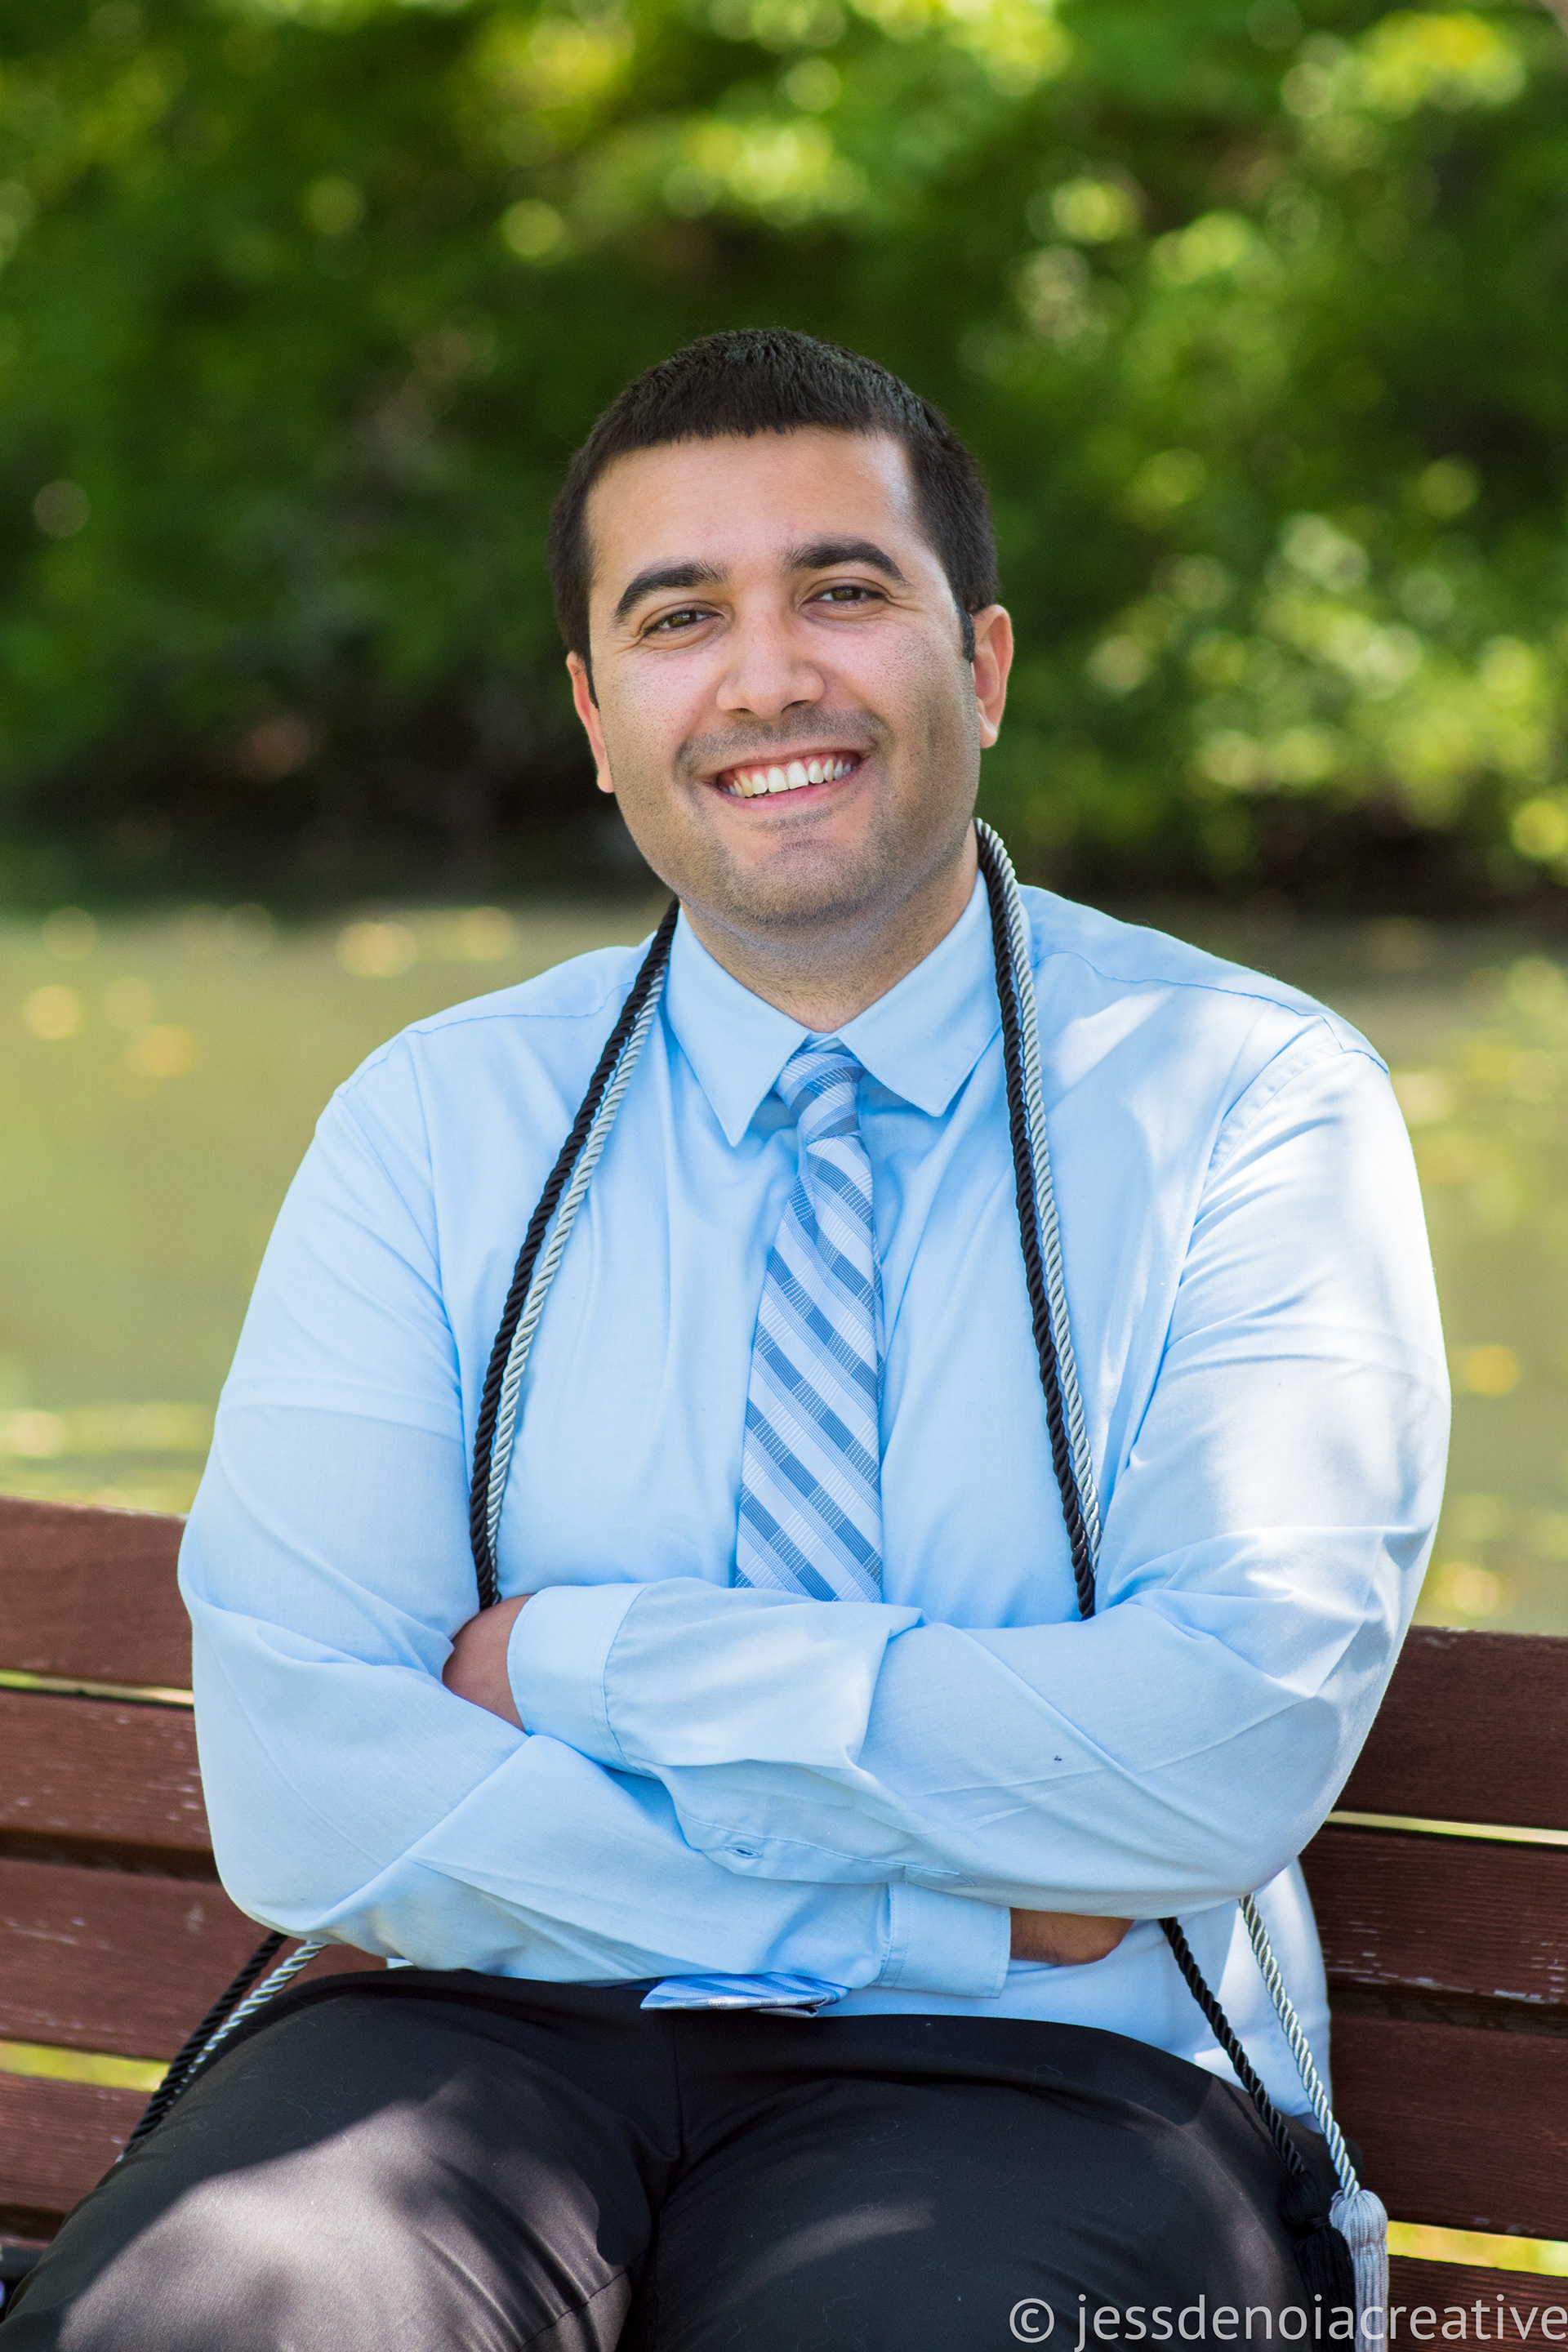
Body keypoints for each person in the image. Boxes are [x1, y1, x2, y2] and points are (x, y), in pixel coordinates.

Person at [5, 330, 1448, 2351]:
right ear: (598, 720)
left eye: (841, 590)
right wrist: (941, 1902)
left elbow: (1211, 1757)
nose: (767, 679)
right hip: (484, 2036)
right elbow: (308, 1783)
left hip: (1061, 2084)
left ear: (985, 666)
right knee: (214, 2316)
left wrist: (582, 1661)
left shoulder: (1246, 1101)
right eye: (680, 618)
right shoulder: (438, 1123)